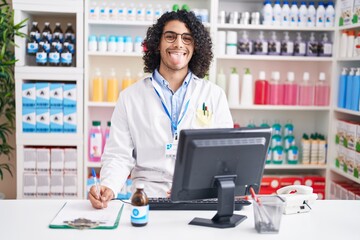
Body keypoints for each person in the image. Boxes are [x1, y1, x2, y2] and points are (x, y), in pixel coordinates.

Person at [89, 10, 233, 209]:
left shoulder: (214, 95)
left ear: (195, 46)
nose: (179, 44)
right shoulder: (130, 97)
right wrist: (108, 186)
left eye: (187, 38)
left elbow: (225, 154)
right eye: (170, 37)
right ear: (157, 43)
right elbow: (119, 155)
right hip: (147, 198)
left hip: (198, 198)